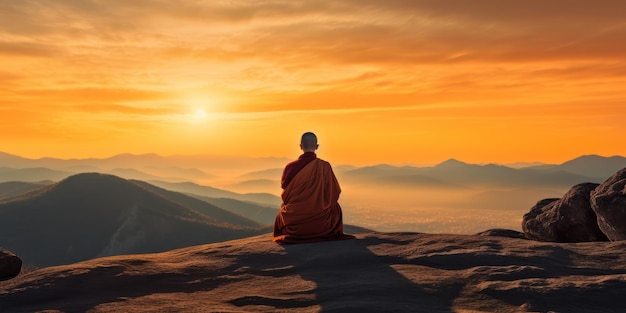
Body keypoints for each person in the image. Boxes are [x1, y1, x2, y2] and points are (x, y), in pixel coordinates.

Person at [273, 132, 355, 243]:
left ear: (300, 146)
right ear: (317, 147)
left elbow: (285, 191)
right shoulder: (324, 166)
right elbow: (334, 193)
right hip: (322, 225)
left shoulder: (290, 167)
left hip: (294, 226)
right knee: (336, 208)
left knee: (282, 210)